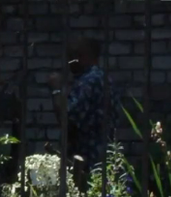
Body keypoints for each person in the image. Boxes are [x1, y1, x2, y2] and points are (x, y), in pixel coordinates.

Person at [47, 37, 120, 183]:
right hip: (98, 155)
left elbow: (67, 118)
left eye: (75, 55)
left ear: (87, 56)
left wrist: (56, 90)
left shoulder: (90, 81)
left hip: (88, 159)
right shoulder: (100, 78)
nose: (70, 61)